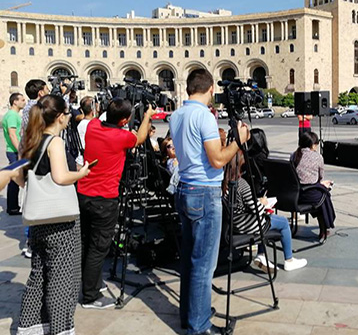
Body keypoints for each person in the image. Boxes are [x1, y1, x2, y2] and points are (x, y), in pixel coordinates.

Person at [169, 69, 249, 335]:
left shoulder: (177, 114)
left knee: (190, 261)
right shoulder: (203, 116)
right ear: (211, 88)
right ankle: (199, 326)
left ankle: (191, 314)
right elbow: (217, 160)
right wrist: (239, 141)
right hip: (204, 192)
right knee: (204, 264)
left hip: (185, 188)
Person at [15, 94, 90, 335]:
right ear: (58, 117)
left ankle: (29, 328)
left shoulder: (30, 139)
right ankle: (60, 329)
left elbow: (17, 176)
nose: (69, 118)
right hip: (62, 221)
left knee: (38, 276)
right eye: (67, 114)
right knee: (63, 279)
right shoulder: (54, 142)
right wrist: (82, 173)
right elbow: (61, 177)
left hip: (38, 220)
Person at [77, 98, 155, 309]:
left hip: (83, 194)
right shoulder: (121, 137)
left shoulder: (93, 126)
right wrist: (147, 115)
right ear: (124, 120)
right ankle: (90, 296)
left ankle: (88, 283)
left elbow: (98, 117)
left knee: (86, 242)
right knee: (98, 247)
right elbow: (140, 138)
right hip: (104, 198)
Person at [223, 151, 307, 272]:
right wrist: (263, 203)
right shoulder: (242, 184)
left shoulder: (225, 183)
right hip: (247, 224)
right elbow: (255, 209)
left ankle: (261, 255)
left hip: (234, 224)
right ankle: (289, 260)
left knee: (267, 218)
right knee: (283, 222)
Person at [291, 131, 336, 243]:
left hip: (295, 194)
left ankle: (324, 229)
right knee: (324, 196)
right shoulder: (318, 157)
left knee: (321, 195)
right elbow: (320, 178)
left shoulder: (294, 155)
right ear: (313, 145)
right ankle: (324, 228)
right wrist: (324, 184)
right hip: (308, 194)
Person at [3, 92, 26, 215]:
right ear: (15, 102)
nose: (24, 102)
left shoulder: (12, 115)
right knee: (15, 178)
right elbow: (12, 134)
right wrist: (20, 150)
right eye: (22, 100)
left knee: (15, 178)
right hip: (14, 151)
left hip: (13, 150)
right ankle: (12, 207)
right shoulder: (12, 116)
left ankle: (13, 206)